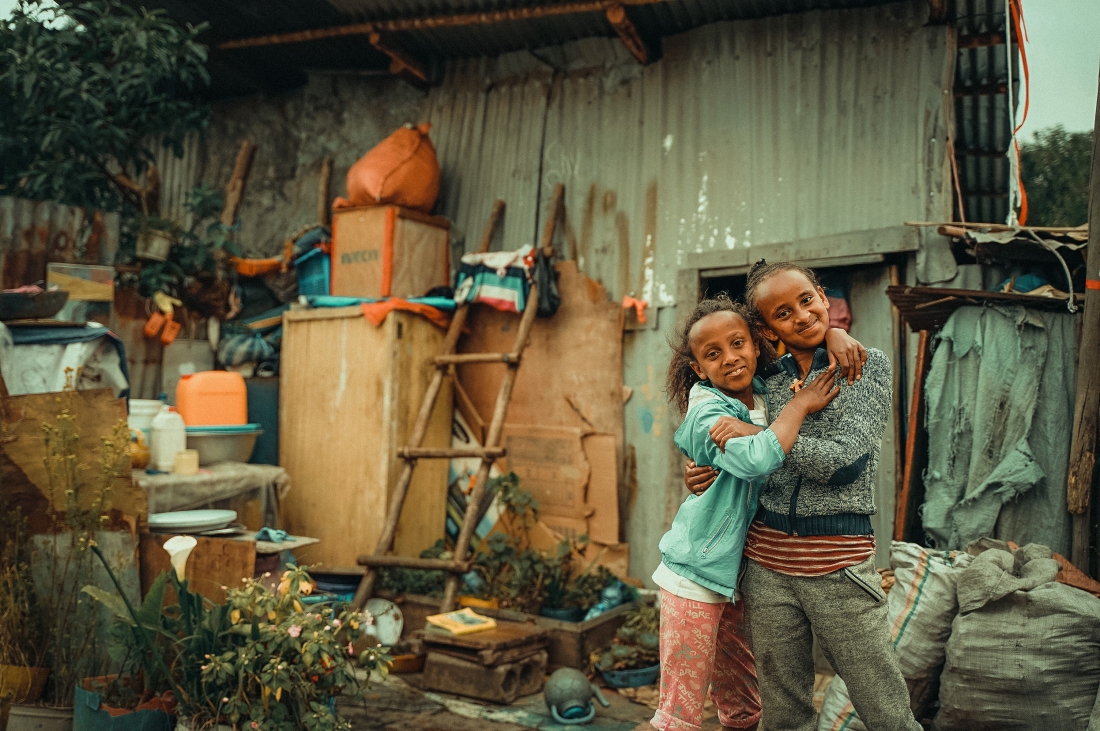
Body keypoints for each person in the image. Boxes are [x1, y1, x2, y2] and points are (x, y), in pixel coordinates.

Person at [686, 261, 920, 731]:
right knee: (785, 712)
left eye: (806, 301)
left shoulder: (863, 364)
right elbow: (736, 449)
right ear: (766, 329)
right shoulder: (767, 381)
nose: (800, 316)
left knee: (885, 708)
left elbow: (842, 462)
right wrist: (703, 469)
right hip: (767, 567)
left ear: (821, 294)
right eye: (781, 313)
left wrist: (762, 434)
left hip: (838, 567)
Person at [653, 295, 840, 731]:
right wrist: (799, 407)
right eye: (713, 354)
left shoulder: (768, 392)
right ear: (699, 369)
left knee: (742, 704)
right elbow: (757, 459)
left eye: (738, 344)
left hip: (744, 579)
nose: (731, 359)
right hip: (696, 575)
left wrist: (836, 333)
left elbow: (807, 347)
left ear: (758, 345)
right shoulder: (707, 412)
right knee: (680, 709)